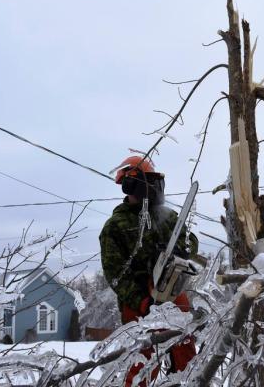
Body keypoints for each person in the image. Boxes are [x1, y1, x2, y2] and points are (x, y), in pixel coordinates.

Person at [99, 156, 198, 387]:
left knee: (185, 350)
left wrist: (183, 251)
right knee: (140, 361)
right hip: (138, 298)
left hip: (172, 290)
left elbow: (190, 240)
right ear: (131, 185)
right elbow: (115, 275)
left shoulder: (167, 217)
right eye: (148, 182)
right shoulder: (115, 226)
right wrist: (142, 302)